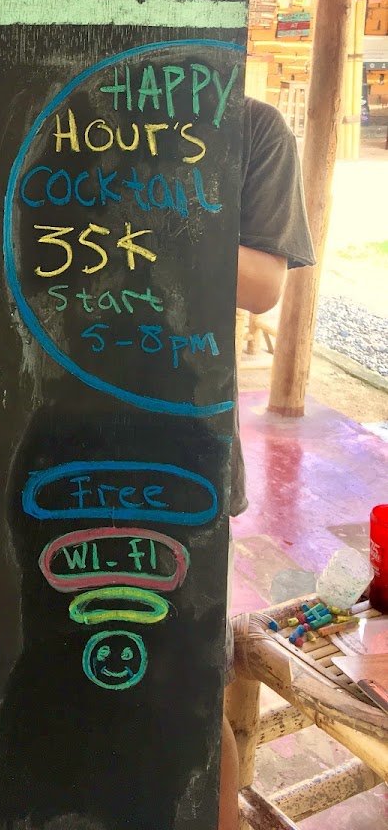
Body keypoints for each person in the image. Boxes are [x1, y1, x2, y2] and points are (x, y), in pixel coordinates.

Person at [218, 95, 316, 830]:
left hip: (176, 438)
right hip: (18, 423)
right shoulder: (46, 101)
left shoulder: (251, 126)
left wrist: (141, 218)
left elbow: (262, 286)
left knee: (183, 677)